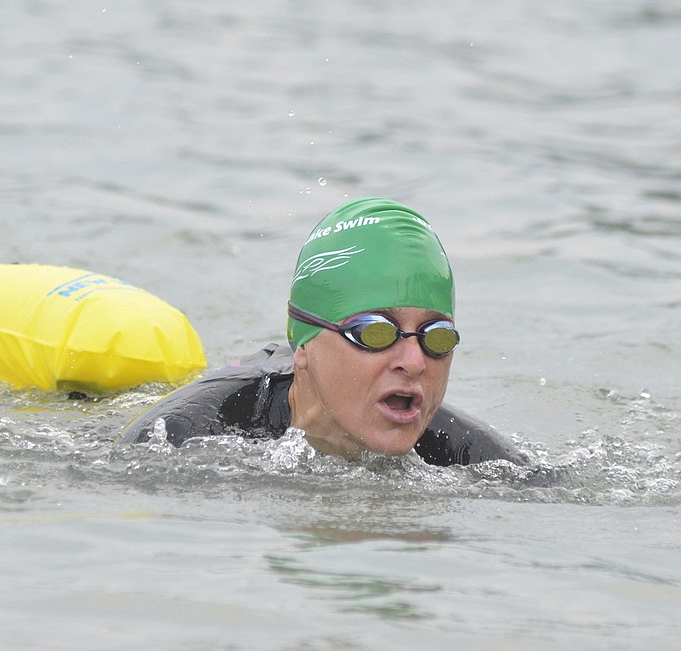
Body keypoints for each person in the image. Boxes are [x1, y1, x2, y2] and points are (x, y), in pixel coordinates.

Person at [120, 197, 526, 467]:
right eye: (375, 333)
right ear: (305, 343)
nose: (415, 362)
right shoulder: (176, 439)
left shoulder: (483, 461)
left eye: (436, 337)